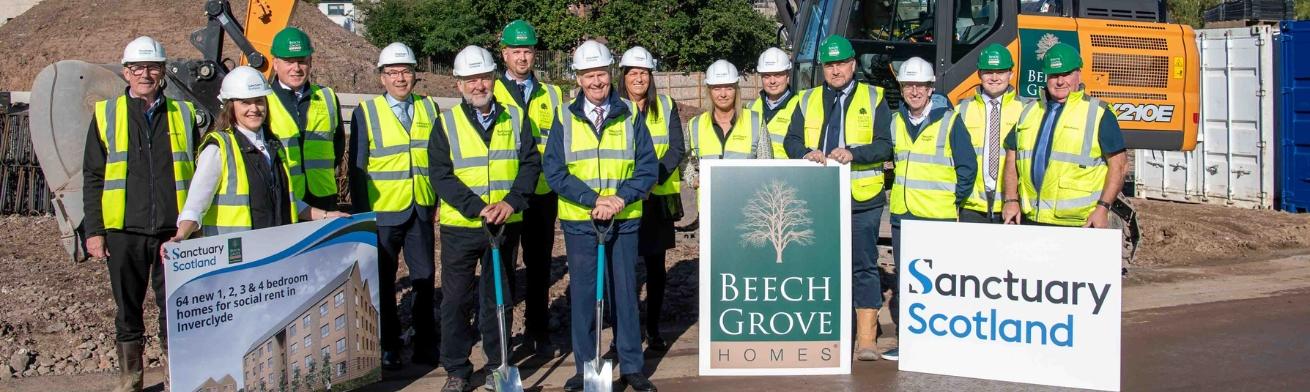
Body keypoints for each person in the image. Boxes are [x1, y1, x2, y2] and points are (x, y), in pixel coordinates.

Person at [83, 36, 199, 392]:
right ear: (125, 72)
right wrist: (94, 230)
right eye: (137, 68)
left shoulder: (184, 113)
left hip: (172, 232)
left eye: (152, 67)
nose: (145, 74)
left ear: (163, 72)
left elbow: (198, 172)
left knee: (175, 311)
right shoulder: (106, 114)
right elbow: (93, 175)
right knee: (127, 312)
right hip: (124, 232)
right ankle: (131, 381)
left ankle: (176, 379)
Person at [545, 40, 658, 392]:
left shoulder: (629, 113)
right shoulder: (564, 117)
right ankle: (586, 367)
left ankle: (632, 366)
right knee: (583, 297)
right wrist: (593, 199)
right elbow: (555, 171)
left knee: (624, 293)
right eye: (588, 75)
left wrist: (619, 199)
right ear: (578, 79)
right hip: (581, 221)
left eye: (601, 74)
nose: (596, 81)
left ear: (611, 74)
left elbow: (647, 168)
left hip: (623, 220)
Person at [430, 45, 540, 392]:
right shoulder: (446, 124)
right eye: (470, 79)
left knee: (498, 299)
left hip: (504, 225)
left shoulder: (516, 118)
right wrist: (476, 206)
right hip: (462, 227)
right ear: (458, 84)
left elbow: (530, 166)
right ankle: (457, 370)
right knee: (456, 300)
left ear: (493, 78)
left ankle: (498, 365)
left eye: (483, 78)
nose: (478, 85)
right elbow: (441, 175)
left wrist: (510, 203)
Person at [782, 35, 893, 361]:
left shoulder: (874, 98)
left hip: (862, 199)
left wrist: (853, 154)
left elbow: (886, 145)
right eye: (829, 65)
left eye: (841, 63)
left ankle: (867, 338)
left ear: (853, 65)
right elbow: (790, 141)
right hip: (820, 198)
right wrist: (805, 153)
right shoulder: (807, 99)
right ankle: (827, 330)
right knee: (822, 267)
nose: (835, 70)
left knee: (863, 266)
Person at [170, 66, 347, 239]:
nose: (254, 108)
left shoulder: (273, 145)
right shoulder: (218, 148)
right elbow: (195, 205)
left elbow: (288, 199)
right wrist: (181, 236)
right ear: (231, 106)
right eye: (245, 102)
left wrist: (326, 215)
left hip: (273, 251)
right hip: (235, 256)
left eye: (259, 101)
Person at [347, 42, 441, 369]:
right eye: (392, 73)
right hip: (383, 213)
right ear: (382, 78)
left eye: (405, 71)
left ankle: (425, 344)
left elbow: (438, 160)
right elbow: (356, 169)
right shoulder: (367, 112)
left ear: (415, 75)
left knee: (425, 278)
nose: (400, 78)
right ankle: (387, 346)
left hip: (421, 209)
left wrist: (437, 201)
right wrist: (362, 217)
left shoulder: (429, 110)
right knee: (384, 283)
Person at [884, 57, 977, 360]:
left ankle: (941, 345)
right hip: (903, 217)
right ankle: (909, 344)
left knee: (939, 285)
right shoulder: (896, 121)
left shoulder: (950, 121)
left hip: (937, 218)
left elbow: (967, 169)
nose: (913, 91)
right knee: (907, 286)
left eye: (919, 85)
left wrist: (951, 201)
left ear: (930, 87)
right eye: (908, 85)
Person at [491, 19, 566, 357]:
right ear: (504, 54)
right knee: (503, 268)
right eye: (515, 51)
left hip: (542, 193)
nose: (522, 58)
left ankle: (538, 331)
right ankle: (503, 339)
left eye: (528, 51)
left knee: (539, 266)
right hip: (505, 195)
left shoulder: (552, 93)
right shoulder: (489, 92)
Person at [1002, 43, 1127, 228]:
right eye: (1054, 75)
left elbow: (1120, 165)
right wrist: (1011, 200)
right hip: (1032, 220)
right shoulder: (1029, 111)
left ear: (1078, 74)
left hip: (1080, 224)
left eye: (1066, 74)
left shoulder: (1098, 112)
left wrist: (1102, 208)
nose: (1060, 81)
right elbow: (1013, 157)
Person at [618, 46, 684, 352]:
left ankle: (653, 328)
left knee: (656, 270)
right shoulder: (614, 108)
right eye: (633, 73)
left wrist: (650, 179)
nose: (639, 78)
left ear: (651, 77)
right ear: (624, 76)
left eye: (643, 73)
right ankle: (625, 332)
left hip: (657, 200)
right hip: (625, 201)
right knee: (625, 270)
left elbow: (676, 150)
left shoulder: (667, 105)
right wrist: (634, 186)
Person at [265, 26, 345, 211]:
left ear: (310, 62)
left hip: (323, 196)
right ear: (275, 63)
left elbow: (338, 143)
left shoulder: (327, 96)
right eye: (289, 61)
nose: (296, 68)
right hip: (284, 197)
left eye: (302, 61)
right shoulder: (263, 100)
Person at [956, 44, 1029, 223]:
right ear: (980, 75)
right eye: (988, 72)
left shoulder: (1027, 110)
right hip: (972, 205)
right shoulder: (961, 110)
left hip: (1011, 206)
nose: (995, 78)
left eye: (1001, 72)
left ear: (1011, 74)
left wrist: (1015, 199)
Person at [685, 59, 773, 188]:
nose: (723, 94)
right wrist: (692, 179)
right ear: (709, 91)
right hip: (709, 204)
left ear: (736, 90)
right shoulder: (695, 125)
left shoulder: (755, 121)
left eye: (729, 88)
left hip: (747, 202)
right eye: (717, 88)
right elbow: (685, 161)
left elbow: (767, 165)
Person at [749, 47, 798, 158]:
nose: (772, 81)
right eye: (767, 76)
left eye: (778, 75)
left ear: (787, 75)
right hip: (756, 174)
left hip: (789, 174)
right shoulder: (750, 108)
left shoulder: (801, 106)